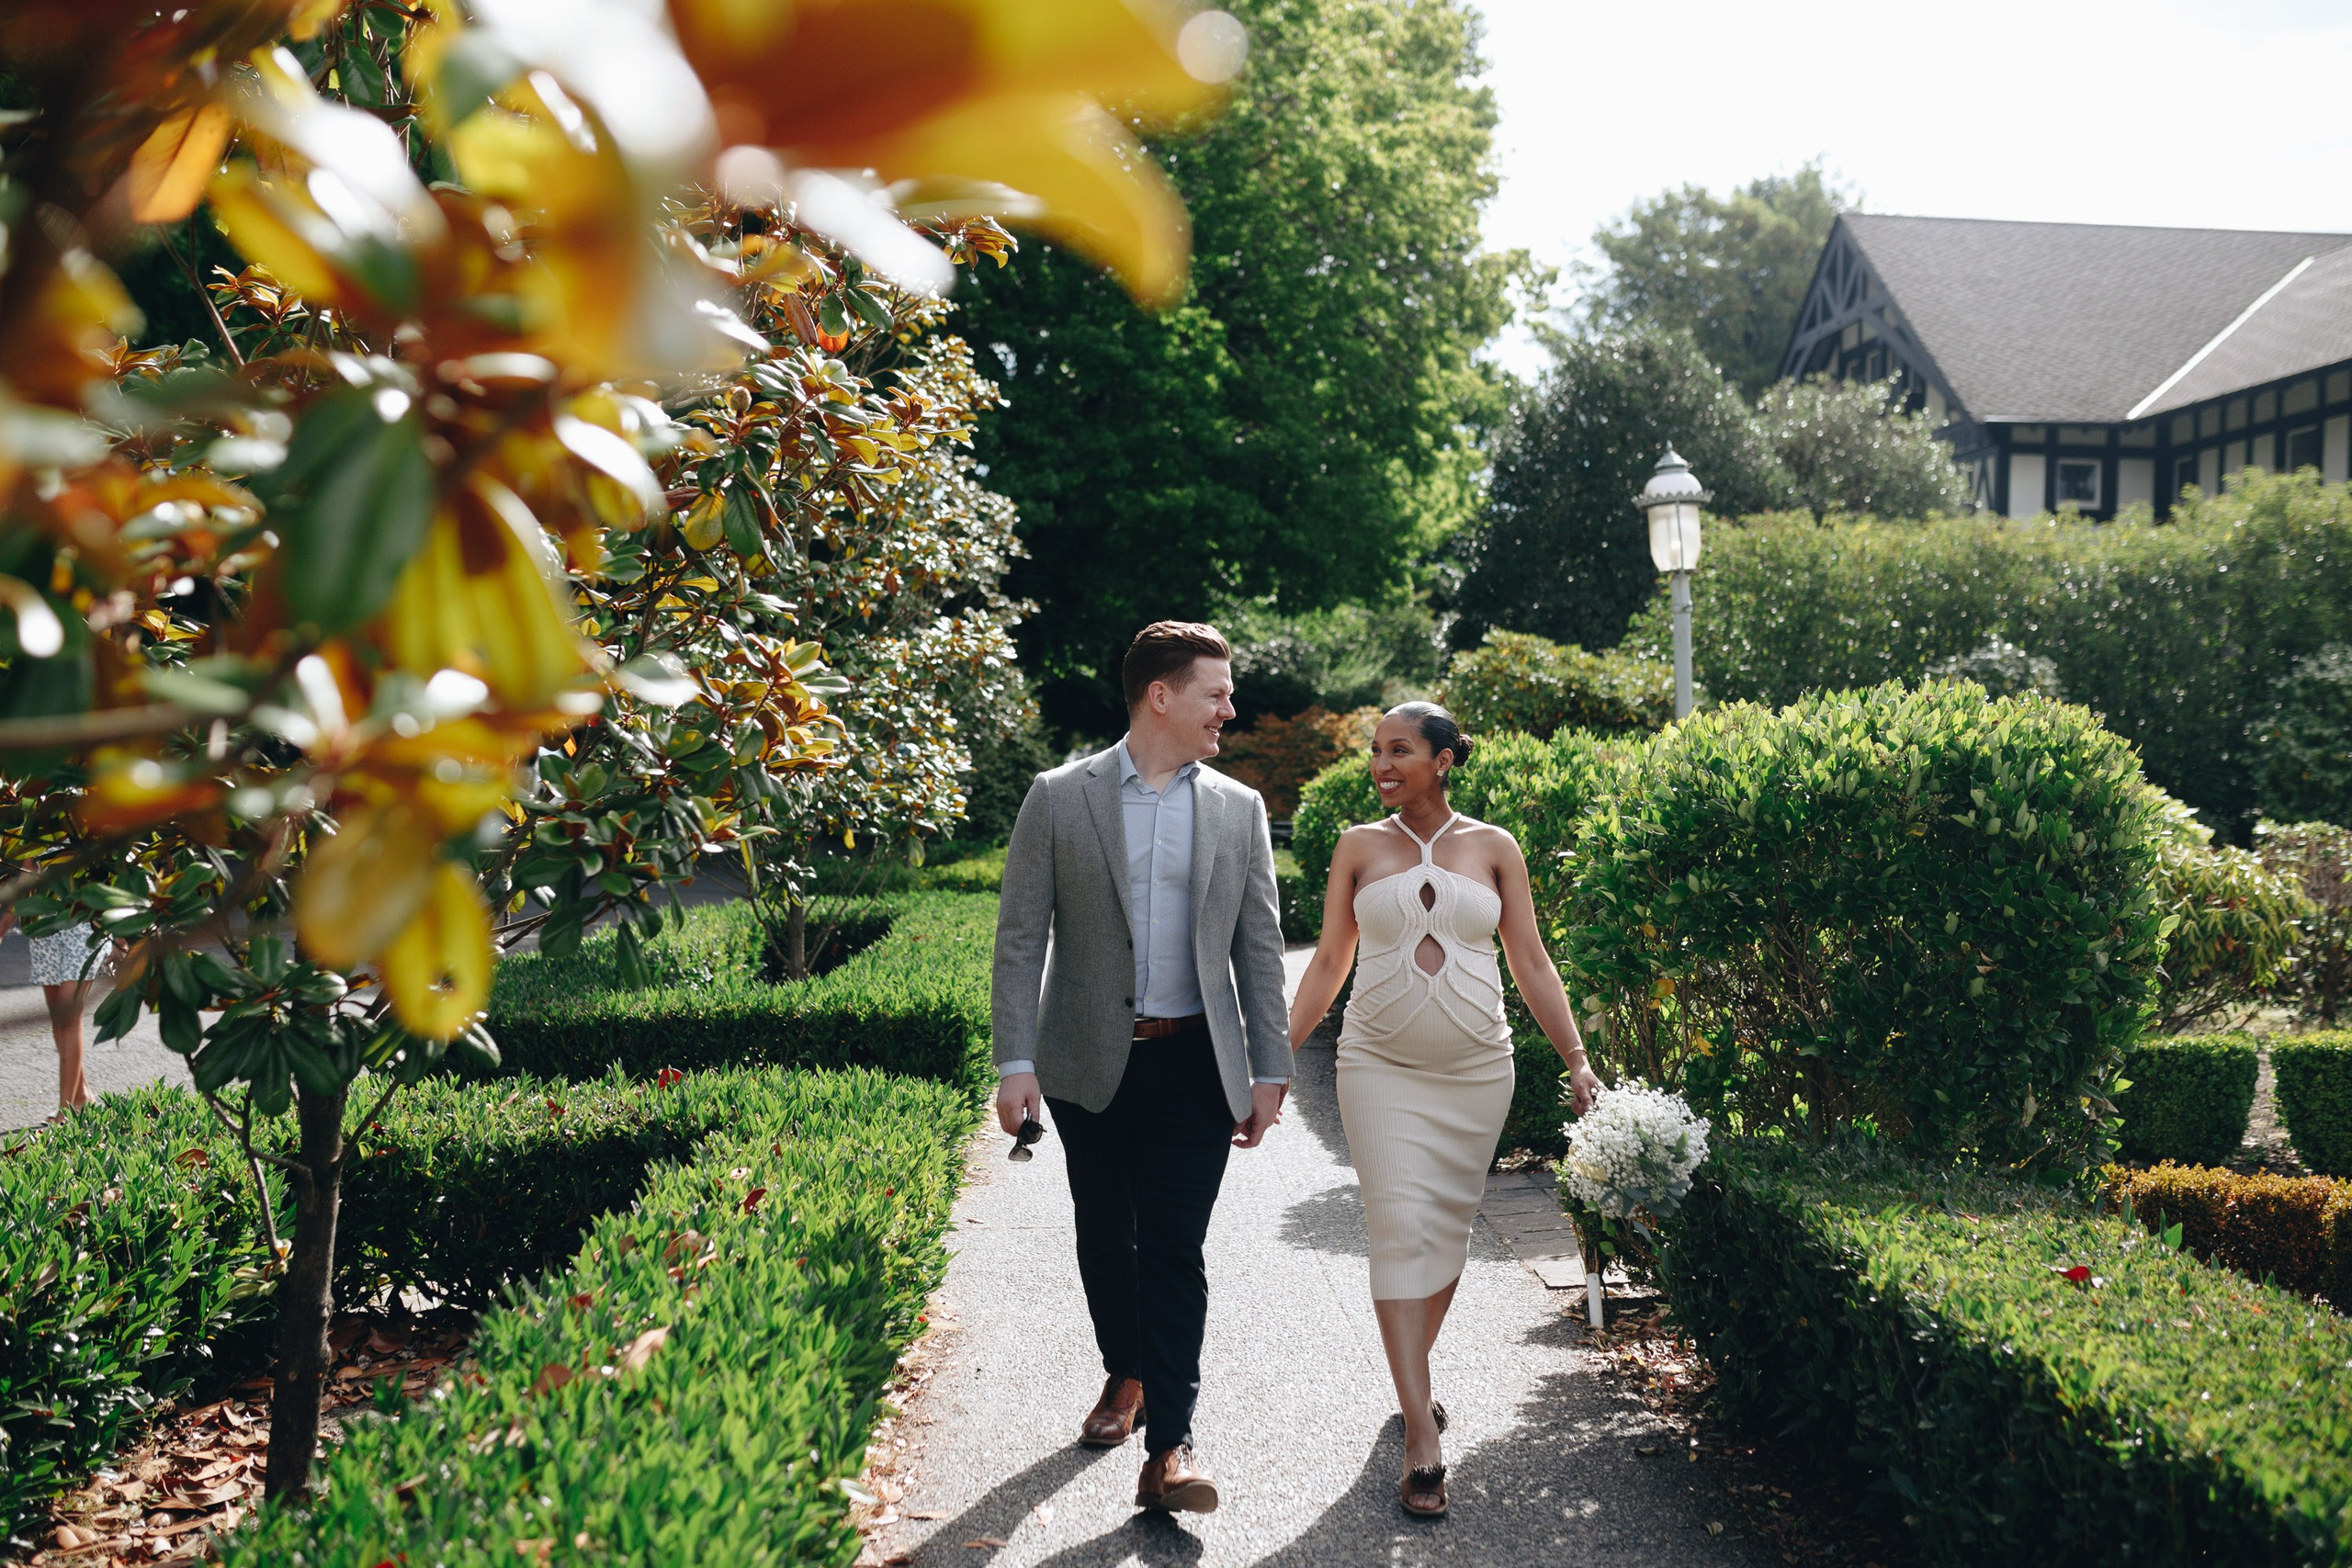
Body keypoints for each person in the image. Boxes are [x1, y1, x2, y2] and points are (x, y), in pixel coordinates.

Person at [991, 620, 1292, 1515]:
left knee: (1172, 1248)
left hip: (1196, 1064)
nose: (1229, 710)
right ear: (1160, 695)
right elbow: (1019, 938)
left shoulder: (1237, 810)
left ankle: (1171, 1449)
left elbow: (1260, 946)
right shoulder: (1058, 796)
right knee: (1103, 1236)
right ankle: (1127, 1370)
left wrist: (1269, 1068)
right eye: (1215, 693)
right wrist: (1015, 1062)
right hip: (1087, 1060)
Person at [1285, 701, 1603, 1519]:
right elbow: (1328, 959)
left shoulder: (1495, 846)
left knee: (1451, 1226)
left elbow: (1529, 957)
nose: (1381, 765)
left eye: (1399, 750)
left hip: (1477, 1069)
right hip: (1377, 1064)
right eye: (1375, 752)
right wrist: (1275, 1054)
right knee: (1397, 1226)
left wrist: (1575, 1057)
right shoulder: (1358, 846)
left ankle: (1410, 1379)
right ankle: (1421, 1436)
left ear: (1443, 759)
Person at [1, 914, 104, 1121]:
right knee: (58, 1016)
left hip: (84, 927)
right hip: (43, 929)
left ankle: (65, 1112)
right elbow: (23, 884)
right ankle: (81, 1097)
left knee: (68, 1015)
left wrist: (120, 936)